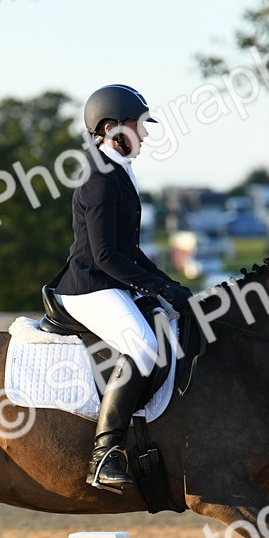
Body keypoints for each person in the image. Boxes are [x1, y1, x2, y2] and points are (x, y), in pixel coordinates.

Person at [50, 84, 192, 494]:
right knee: (144, 346)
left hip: (109, 281)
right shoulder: (98, 178)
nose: (144, 135)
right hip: (90, 287)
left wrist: (169, 285)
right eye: (139, 126)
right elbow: (107, 255)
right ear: (111, 128)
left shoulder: (119, 170)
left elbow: (131, 250)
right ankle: (105, 454)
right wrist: (156, 288)